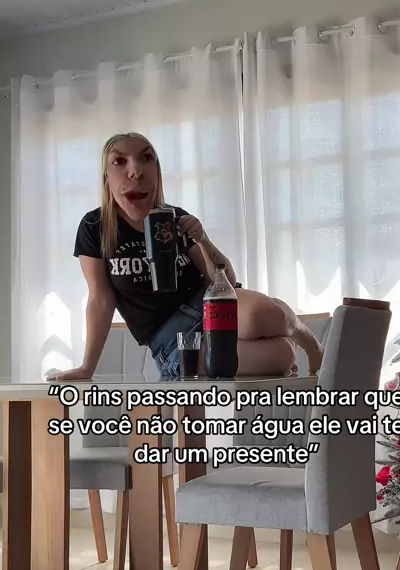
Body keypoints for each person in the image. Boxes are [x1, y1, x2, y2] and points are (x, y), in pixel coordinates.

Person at [50, 132, 324, 382]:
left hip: (208, 303)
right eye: (119, 161)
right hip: (171, 338)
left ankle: (307, 339)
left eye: (146, 158)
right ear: (106, 178)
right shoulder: (95, 227)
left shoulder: (175, 218)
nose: (136, 171)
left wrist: (202, 239)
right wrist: (87, 368)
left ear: (157, 172)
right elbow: (100, 299)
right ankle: (285, 332)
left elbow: (226, 281)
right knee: (282, 356)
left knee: (262, 315)